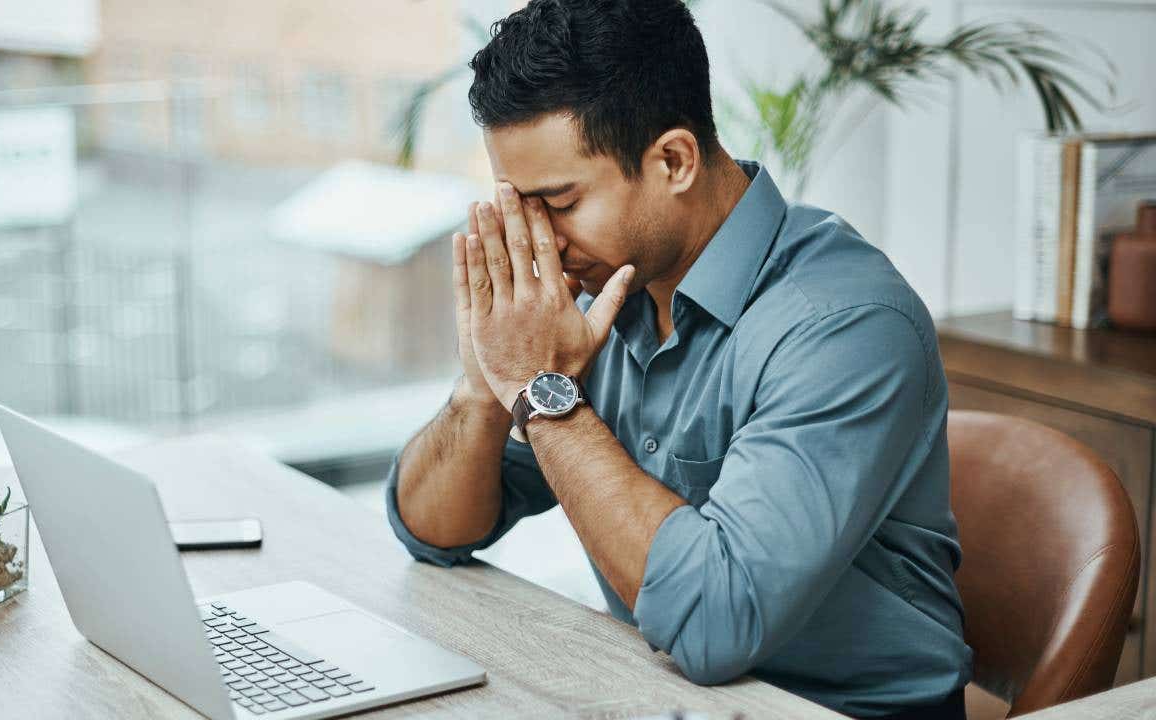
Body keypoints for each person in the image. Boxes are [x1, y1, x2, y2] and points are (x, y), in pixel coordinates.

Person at [384, 1, 972, 718]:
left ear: (674, 160)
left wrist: (542, 394)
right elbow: (434, 529)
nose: (537, 239)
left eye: (560, 202)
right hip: (659, 693)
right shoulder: (602, 291)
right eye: (519, 206)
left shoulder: (845, 327)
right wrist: (487, 377)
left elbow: (714, 624)